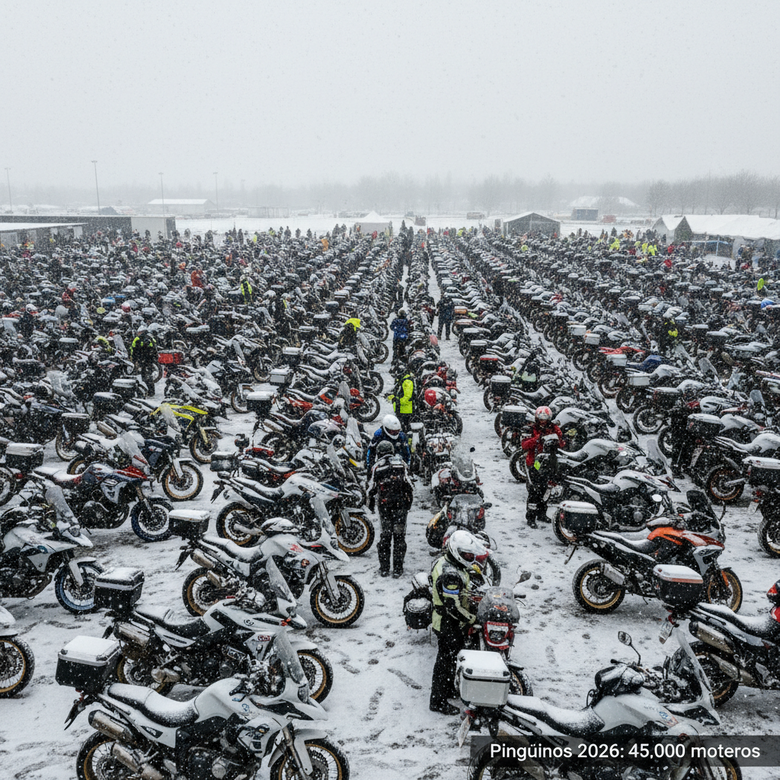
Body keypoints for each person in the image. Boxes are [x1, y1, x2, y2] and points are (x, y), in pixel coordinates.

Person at [429, 530, 488, 715]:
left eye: (471, 554)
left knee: (451, 658)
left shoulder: (448, 562)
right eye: (467, 555)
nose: (470, 557)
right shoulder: (450, 574)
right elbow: (452, 608)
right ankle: (437, 700)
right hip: (448, 623)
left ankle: (447, 689)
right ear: (456, 552)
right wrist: (472, 619)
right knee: (445, 661)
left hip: (448, 621)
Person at [367, 441, 414, 578]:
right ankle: (398, 569)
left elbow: (371, 488)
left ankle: (384, 568)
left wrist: (371, 505)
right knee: (399, 537)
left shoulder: (377, 466)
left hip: (384, 506)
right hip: (400, 506)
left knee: (385, 536)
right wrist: (407, 505)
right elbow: (409, 485)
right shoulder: (402, 464)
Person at [520, 406, 565, 528]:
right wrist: (537, 439)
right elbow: (524, 445)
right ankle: (531, 517)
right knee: (534, 490)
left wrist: (558, 439)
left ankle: (541, 513)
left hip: (549, 463)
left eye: (545, 418)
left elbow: (562, 443)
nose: (543, 421)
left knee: (546, 489)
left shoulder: (553, 428)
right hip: (536, 462)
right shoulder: (531, 429)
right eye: (541, 418)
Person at [130, 326, 158, 396]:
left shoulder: (137, 339)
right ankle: (151, 391)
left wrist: (134, 359)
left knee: (145, 376)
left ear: (141, 332)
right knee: (148, 375)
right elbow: (154, 348)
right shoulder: (151, 338)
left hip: (142, 359)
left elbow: (133, 349)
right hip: (150, 360)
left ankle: (149, 392)